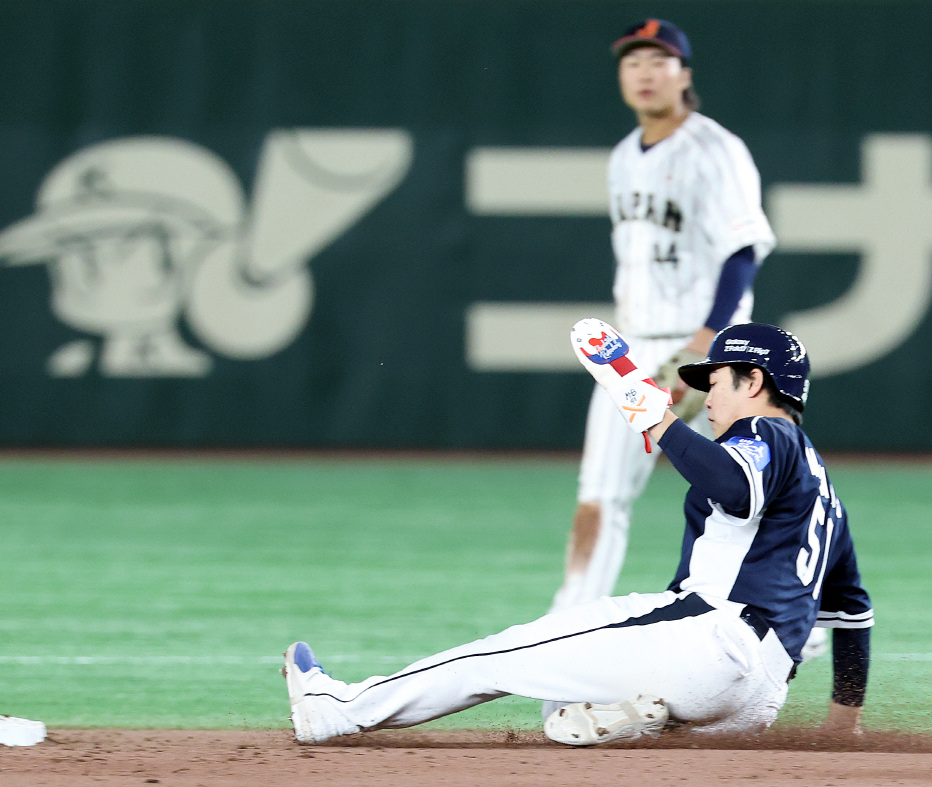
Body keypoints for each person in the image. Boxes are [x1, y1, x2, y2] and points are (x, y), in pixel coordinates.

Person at [281, 321, 871, 745]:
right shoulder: (828, 498)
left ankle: (338, 710)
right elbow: (852, 613)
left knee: (501, 654)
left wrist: (646, 406)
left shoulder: (769, 436)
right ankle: (634, 717)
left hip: (711, 642)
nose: (706, 394)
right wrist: (844, 724)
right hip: (756, 701)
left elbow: (732, 484)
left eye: (715, 380)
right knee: (561, 702)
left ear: (754, 381)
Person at [551, 19, 811, 647]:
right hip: (634, 346)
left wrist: (710, 343)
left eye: (659, 60)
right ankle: (569, 619)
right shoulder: (622, 157)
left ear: (684, 74)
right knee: (601, 493)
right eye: (633, 61)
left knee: (752, 491)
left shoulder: (713, 149)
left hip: (704, 350)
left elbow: (742, 248)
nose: (644, 72)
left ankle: (802, 616)